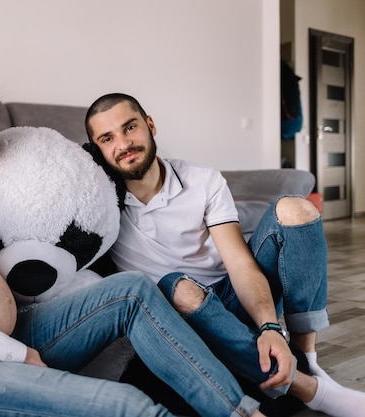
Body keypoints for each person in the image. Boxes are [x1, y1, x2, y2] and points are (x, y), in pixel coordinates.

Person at [0, 65, 267, 417]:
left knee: (134, 290)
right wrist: (10, 351)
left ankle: (241, 411)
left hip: (14, 339)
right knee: (130, 406)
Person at [84, 92, 365, 417]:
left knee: (296, 209)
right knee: (175, 285)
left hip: (232, 296)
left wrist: (270, 327)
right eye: (107, 138)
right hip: (178, 315)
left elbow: (239, 262)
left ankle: (307, 360)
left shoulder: (203, 180)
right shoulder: (98, 204)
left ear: (150, 125)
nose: (123, 144)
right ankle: (310, 388)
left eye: (130, 127)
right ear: (97, 150)